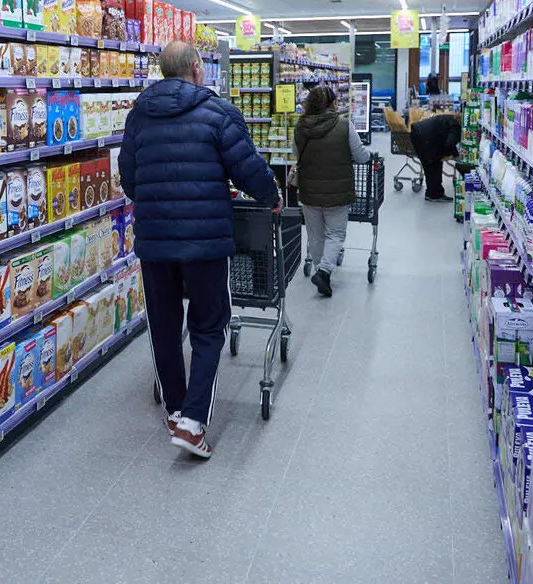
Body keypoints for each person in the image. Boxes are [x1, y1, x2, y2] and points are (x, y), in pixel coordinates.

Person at [119, 41, 280, 459]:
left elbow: (130, 181)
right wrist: (271, 196)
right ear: (196, 68)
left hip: (155, 243)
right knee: (208, 327)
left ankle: (175, 410)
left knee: (165, 326)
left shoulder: (138, 115)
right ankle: (192, 423)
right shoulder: (218, 112)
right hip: (206, 243)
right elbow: (248, 168)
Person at [292, 86, 370, 297]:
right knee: (335, 233)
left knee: (315, 235)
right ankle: (324, 272)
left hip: (309, 190)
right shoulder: (345, 126)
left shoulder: (300, 127)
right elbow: (361, 156)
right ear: (332, 104)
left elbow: (296, 154)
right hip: (337, 191)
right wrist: (367, 155)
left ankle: (320, 269)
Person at [409, 111, 462, 202]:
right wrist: (457, 156)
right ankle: (434, 195)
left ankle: (432, 193)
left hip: (419, 133)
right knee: (432, 163)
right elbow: (449, 143)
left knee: (432, 163)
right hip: (425, 138)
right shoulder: (456, 127)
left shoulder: (451, 118)